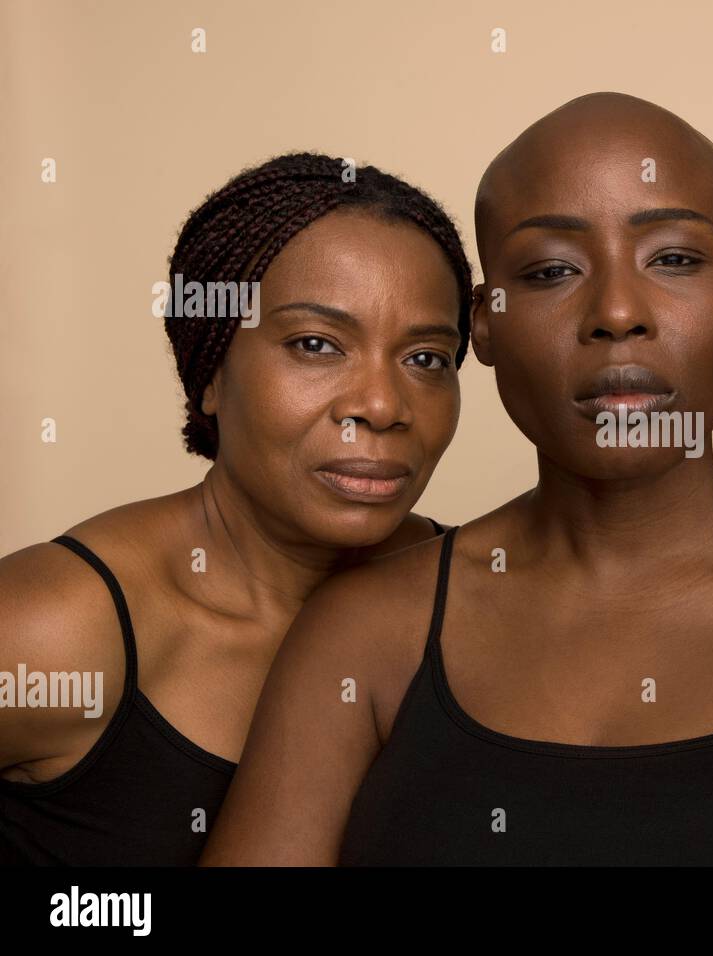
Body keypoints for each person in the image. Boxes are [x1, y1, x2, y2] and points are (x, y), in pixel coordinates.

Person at [201, 94, 713, 866]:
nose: (616, 312)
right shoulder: (363, 634)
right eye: (551, 271)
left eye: (673, 258)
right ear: (483, 326)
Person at [0, 152, 472, 864]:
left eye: (426, 359)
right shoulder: (54, 627)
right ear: (211, 374)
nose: (380, 405)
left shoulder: (479, 600)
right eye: (316, 344)